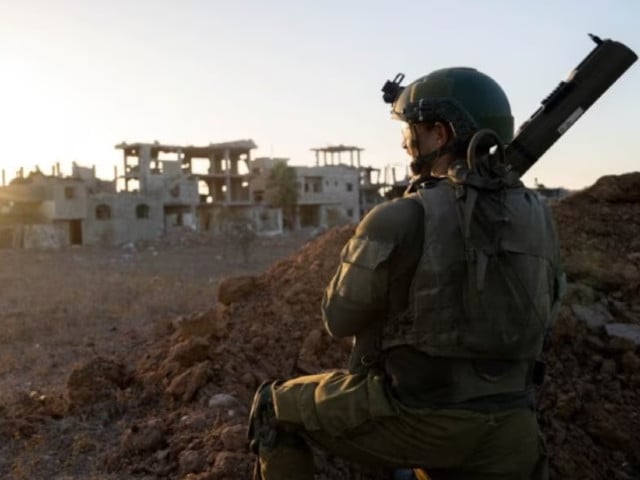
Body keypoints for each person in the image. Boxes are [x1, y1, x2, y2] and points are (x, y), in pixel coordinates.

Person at [248, 67, 565, 480]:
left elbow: (338, 319)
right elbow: (550, 311)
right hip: (513, 427)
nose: (405, 142)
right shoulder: (540, 215)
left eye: (413, 130)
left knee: (275, 409)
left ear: (441, 134)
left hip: (423, 421)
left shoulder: (401, 217)